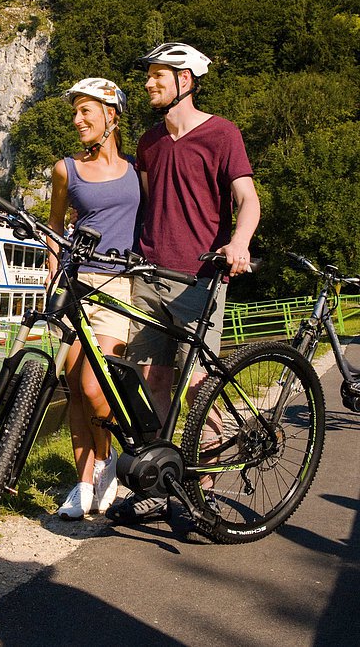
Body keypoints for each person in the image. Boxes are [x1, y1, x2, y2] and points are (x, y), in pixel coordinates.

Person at [107, 42, 261, 524]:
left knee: (197, 385)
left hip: (200, 279)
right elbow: (149, 205)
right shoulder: (149, 142)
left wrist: (238, 244)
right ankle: (161, 479)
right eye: (149, 75)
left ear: (186, 81)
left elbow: (247, 200)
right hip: (150, 275)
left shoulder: (222, 134)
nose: (149, 83)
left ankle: (202, 490)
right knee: (150, 380)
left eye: (159, 75)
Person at [47, 77, 142, 520]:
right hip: (76, 284)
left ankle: (106, 467)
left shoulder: (138, 172)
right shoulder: (65, 169)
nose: (77, 119)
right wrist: (53, 280)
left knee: (97, 388)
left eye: (87, 111)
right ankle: (82, 484)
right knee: (75, 393)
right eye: (75, 112)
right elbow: (53, 231)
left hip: (117, 288)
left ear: (111, 115)